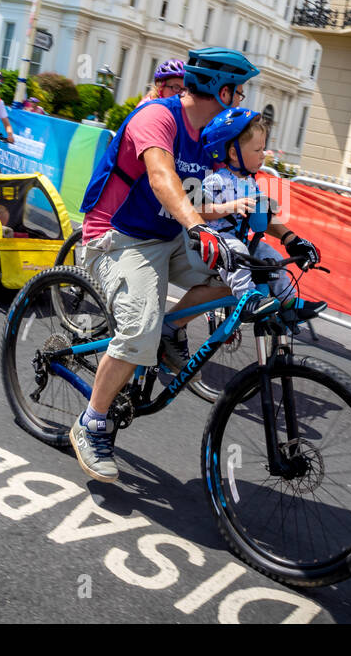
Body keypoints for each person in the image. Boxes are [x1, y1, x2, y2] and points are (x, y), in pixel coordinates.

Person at [70, 47, 260, 483]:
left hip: (168, 236)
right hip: (116, 236)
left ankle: (172, 329)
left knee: (239, 274)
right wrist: (199, 228)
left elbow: (198, 196)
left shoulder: (209, 133)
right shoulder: (158, 117)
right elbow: (162, 179)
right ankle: (92, 422)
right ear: (222, 88)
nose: (242, 98)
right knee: (139, 327)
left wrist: (232, 213)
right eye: (240, 89)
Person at [198, 107, 320, 310]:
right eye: (257, 150)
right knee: (237, 253)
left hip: (244, 238)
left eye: (263, 149)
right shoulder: (216, 180)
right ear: (233, 153)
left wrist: (266, 207)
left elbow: (254, 209)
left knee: (275, 259)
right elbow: (199, 209)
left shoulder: (249, 182)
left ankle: (289, 301)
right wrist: (231, 206)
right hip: (219, 240)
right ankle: (248, 299)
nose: (263, 156)